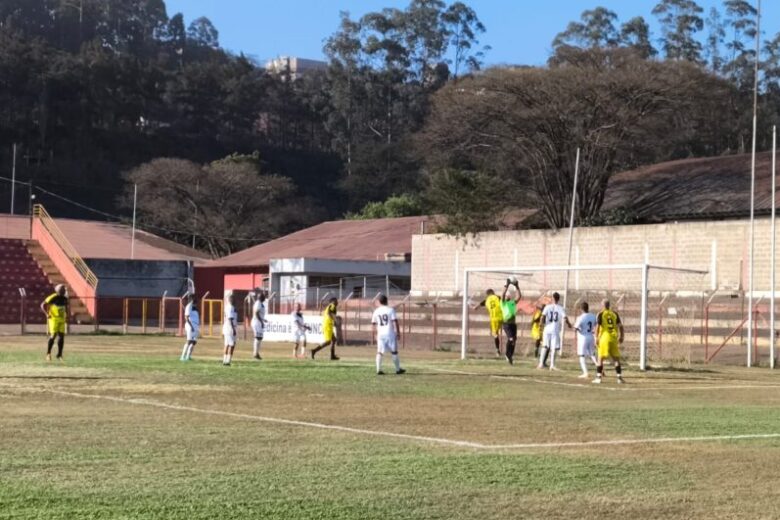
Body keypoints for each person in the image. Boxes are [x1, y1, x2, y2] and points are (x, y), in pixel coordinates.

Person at [371, 294, 405, 375]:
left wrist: (375, 335)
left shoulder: (376, 311)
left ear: (379, 302)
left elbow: (373, 324)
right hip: (390, 334)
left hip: (380, 334)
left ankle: (378, 369)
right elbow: (395, 322)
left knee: (379, 352)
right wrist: (398, 333)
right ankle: (397, 369)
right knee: (394, 352)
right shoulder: (390, 310)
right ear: (387, 301)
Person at [593, 299, 625, 384]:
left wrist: (596, 338)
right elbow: (621, 326)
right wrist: (621, 336)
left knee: (600, 358)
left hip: (604, 338)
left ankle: (599, 377)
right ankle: (619, 378)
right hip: (614, 338)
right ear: (609, 305)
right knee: (616, 359)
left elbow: (597, 327)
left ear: (602, 305)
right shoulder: (615, 314)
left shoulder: (600, 314)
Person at [537, 292, 572, 370]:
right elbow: (565, 317)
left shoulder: (547, 307)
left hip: (547, 329)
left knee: (545, 346)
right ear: (559, 299)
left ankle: (540, 364)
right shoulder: (560, 308)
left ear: (552, 298)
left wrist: (540, 325)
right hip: (555, 329)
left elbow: (542, 317)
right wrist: (569, 324)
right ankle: (552, 365)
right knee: (554, 348)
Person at [41, 284, 69, 362]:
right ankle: (48, 353)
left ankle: (59, 355)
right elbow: (42, 305)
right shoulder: (53, 297)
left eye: (64, 290)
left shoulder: (65, 298)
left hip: (62, 319)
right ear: (57, 290)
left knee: (61, 336)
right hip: (53, 319)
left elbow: (66, 307)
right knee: (53, 335)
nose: (63, 291)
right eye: (62, 290)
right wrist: (47, 314)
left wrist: (67, 315)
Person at [573, 302, 598, 378]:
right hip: (591, 336)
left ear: (581, 309)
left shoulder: (580, 317)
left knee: (582, 355)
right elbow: (597, 325)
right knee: (592, 354)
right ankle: (599, 367)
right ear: (588, 308)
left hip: (583, 337)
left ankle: (585, 373)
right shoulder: (593, 316)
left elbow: (576, 328)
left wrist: (578, 330)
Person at [500, 280, 522, 365]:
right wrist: (507, 285)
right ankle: (507, 354)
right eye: (506, 296)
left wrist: (517, 286)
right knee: (511, 339)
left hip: (513, 324)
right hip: (507, 324)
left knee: (514, 340)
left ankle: (510, 356)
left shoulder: (512, 303)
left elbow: (519, 296)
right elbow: (502, 295)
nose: (506, 297)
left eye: (508, 296)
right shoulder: (503, 303)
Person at [477, 288, 503, 356]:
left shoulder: (487, 300)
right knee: (501, 331)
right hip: (501, 317)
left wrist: (475, 307)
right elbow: (504, 301)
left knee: (495, 334)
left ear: (488, 294)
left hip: (493, 318)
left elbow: (480, 304)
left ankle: (497, 350)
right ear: (493, 292)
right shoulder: (498, 297)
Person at [180, 294, 199, 361]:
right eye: (194, 298)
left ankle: (188, 356)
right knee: (189, 341)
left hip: (196, 325)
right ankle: (182, 356)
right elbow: (186, 317)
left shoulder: (193, 307)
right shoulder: (189, 306)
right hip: (190, 325)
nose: (195, 299)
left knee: (194, 342)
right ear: (191, 299)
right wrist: (191, 326)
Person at [222, 293, 238, 366]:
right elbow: (230, 318)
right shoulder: (230, 307)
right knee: (231, 345)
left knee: (227, 344)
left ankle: (225, 360)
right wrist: (233, 329)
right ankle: (228, 361)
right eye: (234, 299)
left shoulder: (228, 307)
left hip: (227, 327)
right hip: (230, 327)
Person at [251, 289, 267, 360]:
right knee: (257, 337)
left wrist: (263, 320)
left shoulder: (260, 303)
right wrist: (261, 321)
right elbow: (256, 313)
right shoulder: (258, 303)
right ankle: (255, 353)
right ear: (261, 297)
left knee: (260, 337)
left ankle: (256, 353)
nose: (265, 298)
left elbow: (259, 313)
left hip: (258, 321)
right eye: (263, 297)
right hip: (256, 322)